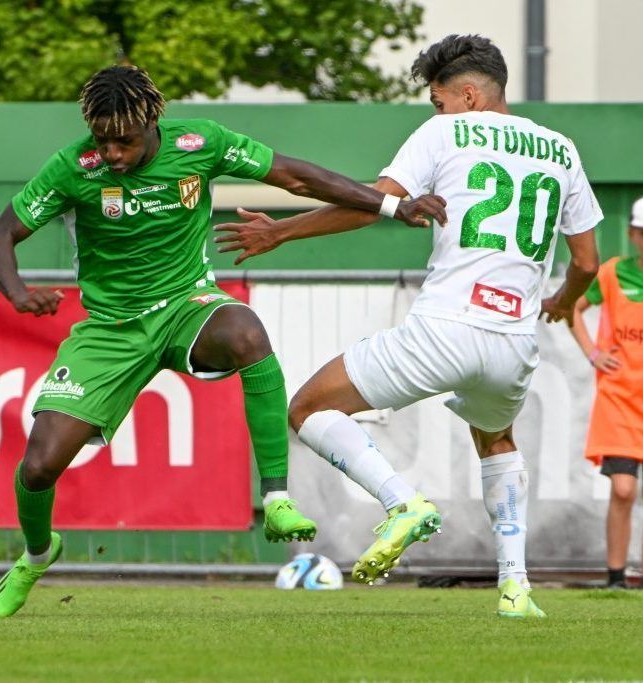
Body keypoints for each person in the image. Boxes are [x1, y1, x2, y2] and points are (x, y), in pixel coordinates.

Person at [0, 64, 447, 617]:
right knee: (39, 466)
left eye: (124, 141)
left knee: (246, 332)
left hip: (187, 305)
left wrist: (392, 205)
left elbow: (295, 177)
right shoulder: (72, 167)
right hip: (110, 329)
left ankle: (276, 498)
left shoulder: (200, 143)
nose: (112, 153)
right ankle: (37, 555)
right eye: (102, 140)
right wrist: (17, 293)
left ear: (152, 123)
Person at [215, 34, 602, 617]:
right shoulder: (562, 149)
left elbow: (372, 203)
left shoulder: (446, 133)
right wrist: (563, 301)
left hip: (444, 328)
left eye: (439, 101)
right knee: (496, 439)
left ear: (468, 95)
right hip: (515, 342)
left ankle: (402, 503)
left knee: (309, 409)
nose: (437, 112)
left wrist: (281, 232)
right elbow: (587, 263)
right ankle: (515, 588)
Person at [567, 196, 643, 589]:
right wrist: (593, 353)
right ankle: (616, 578)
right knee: (624, 489)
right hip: (619, 399)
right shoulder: (612, 274)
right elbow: (571, 307)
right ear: (632, 234)